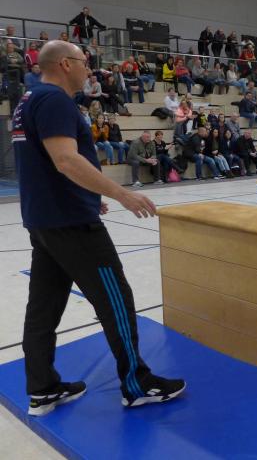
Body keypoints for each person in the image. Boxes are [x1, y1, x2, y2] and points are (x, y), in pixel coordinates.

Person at [11, 40, 185, 415]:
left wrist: (90, 196)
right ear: (64, 64)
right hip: (72, 224)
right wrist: (121, 194)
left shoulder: (28, 101)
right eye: (83, 61)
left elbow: (45, 164)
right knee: (115, 299)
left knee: (42, 309)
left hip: (45, 221)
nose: (89, 68)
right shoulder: (55, 100)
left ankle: (42, 388)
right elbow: (65, 160)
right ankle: (137, 384)